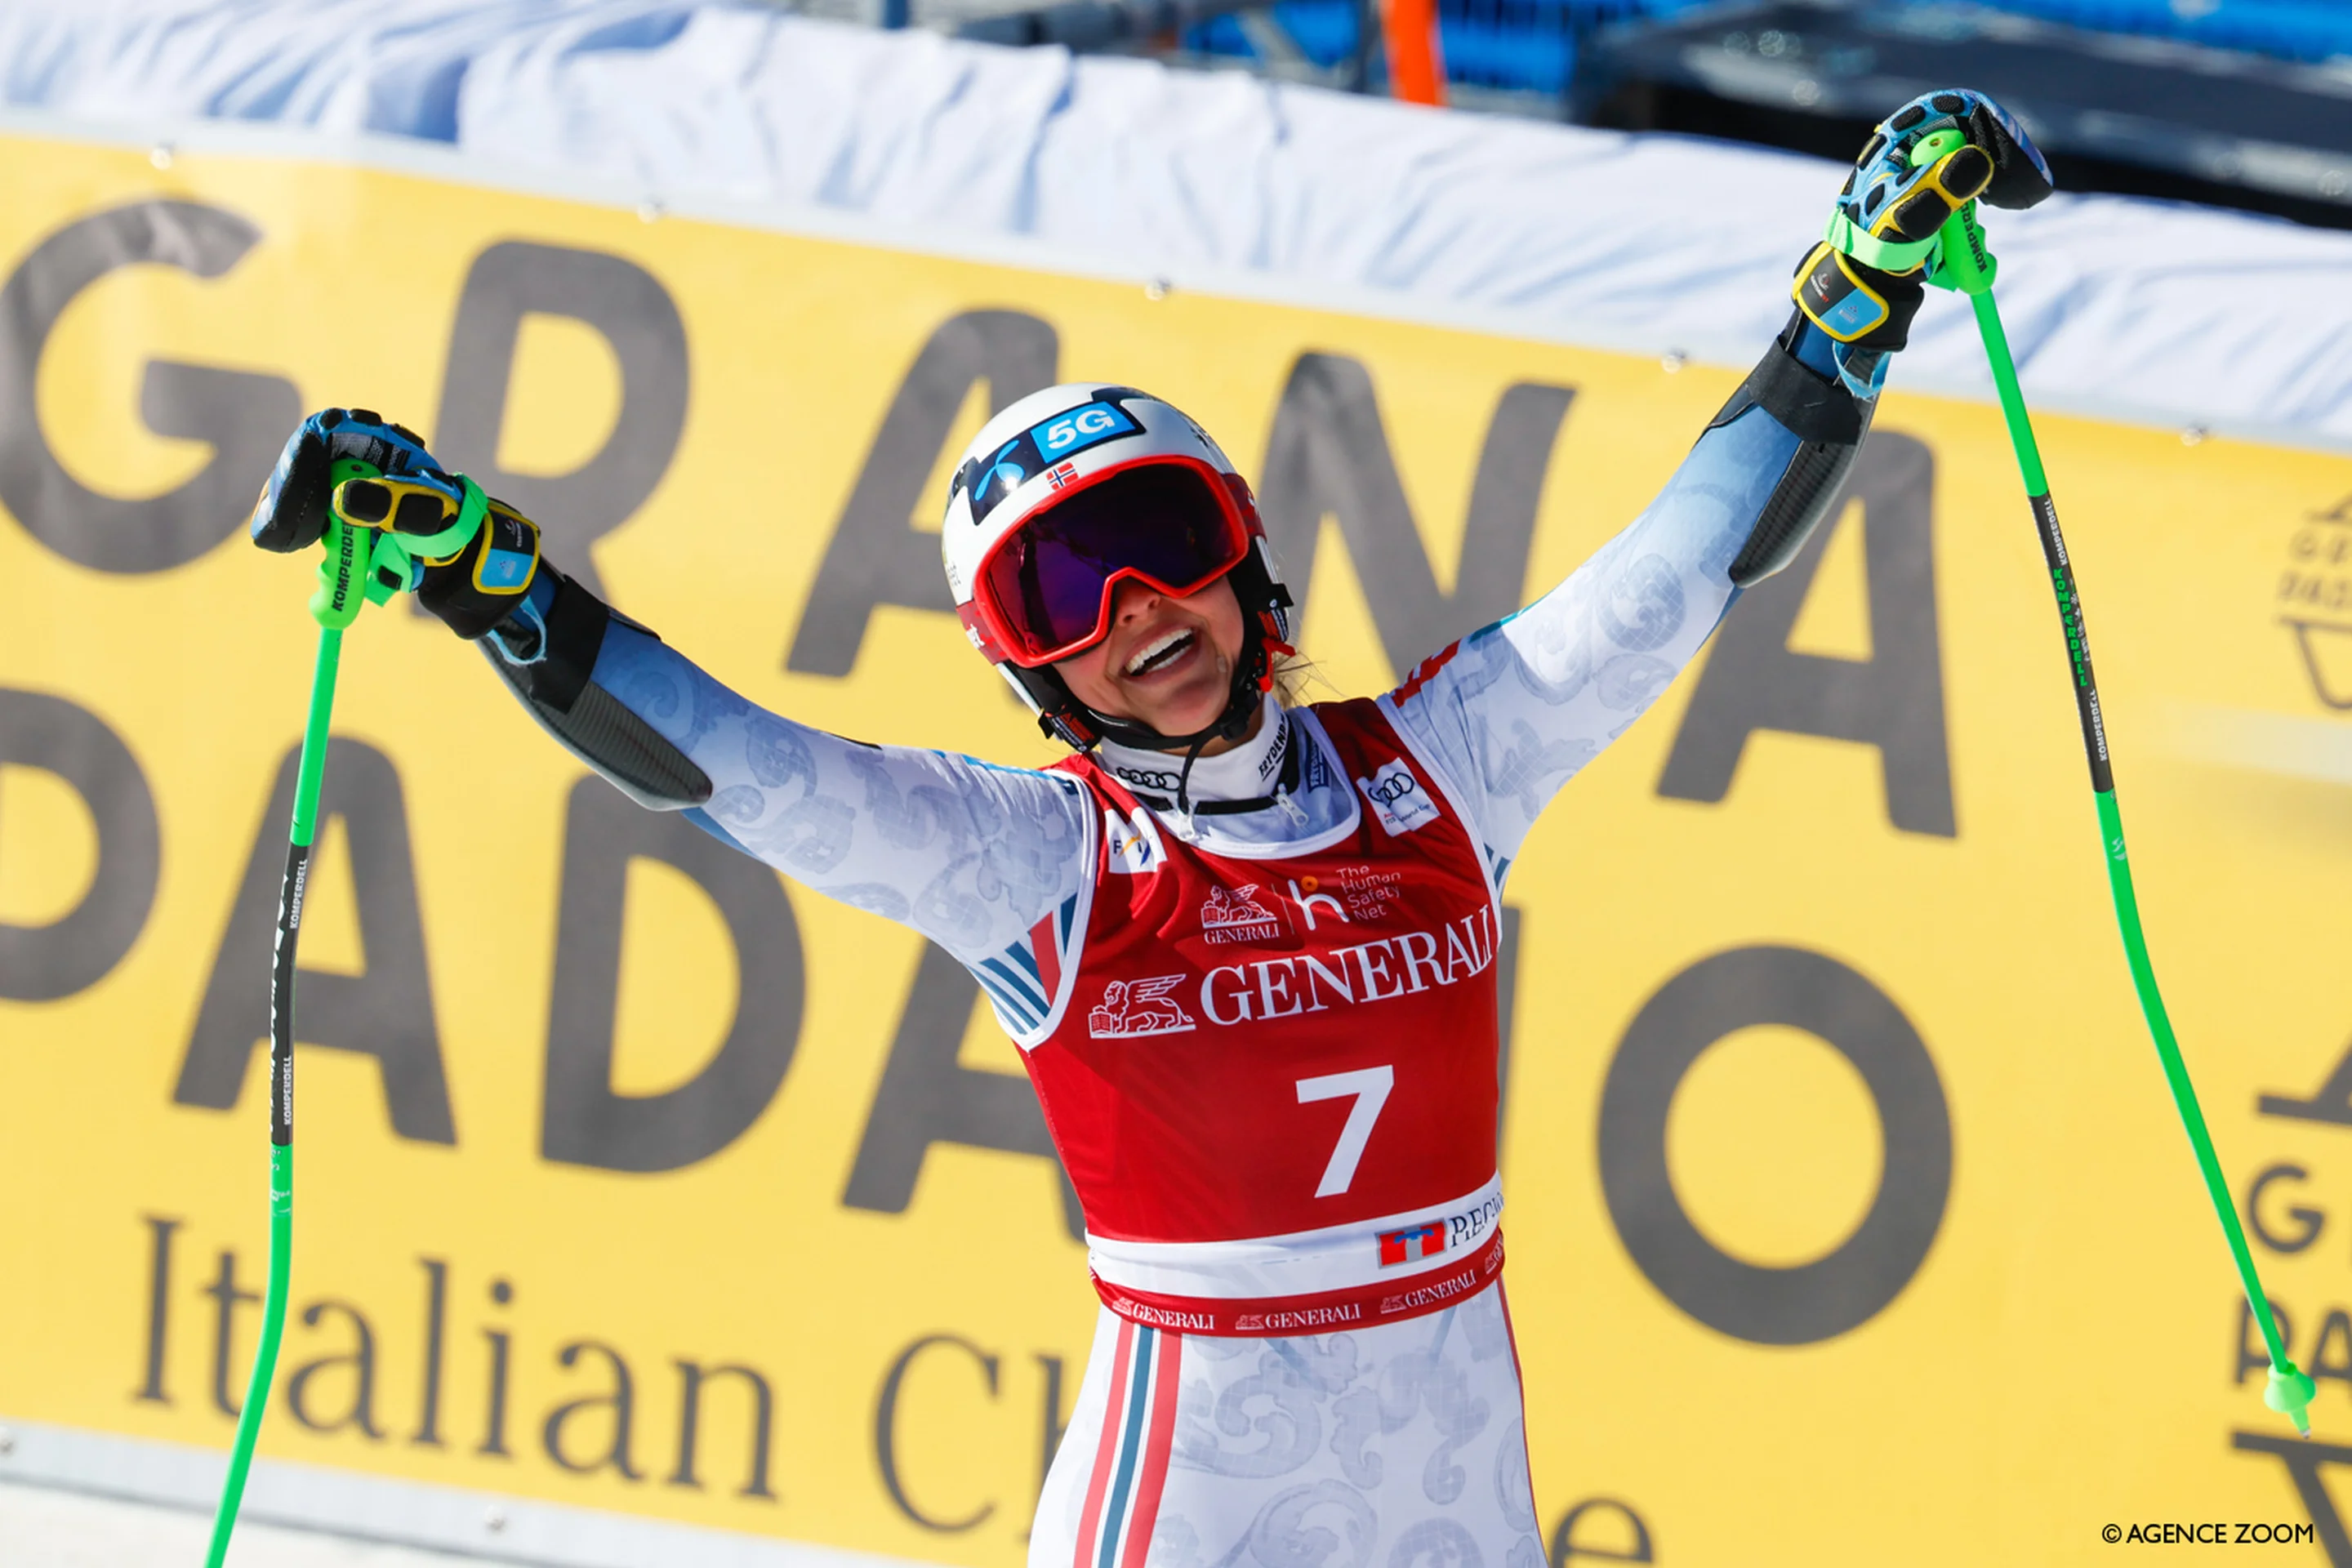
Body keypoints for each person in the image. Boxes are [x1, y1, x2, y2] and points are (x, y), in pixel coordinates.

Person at [249, 91, 2050, 1568]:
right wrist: (492, 583)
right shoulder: (1038, 864)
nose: (1132, 611)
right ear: (1027, 669)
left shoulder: (1448, 766)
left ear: (1244, 552)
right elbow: (740, 766)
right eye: (1058, 589)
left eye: (1158, 539)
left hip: (1454, 1458)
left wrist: (1859, 288)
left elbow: (1680, 568)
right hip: (1198, 1483)